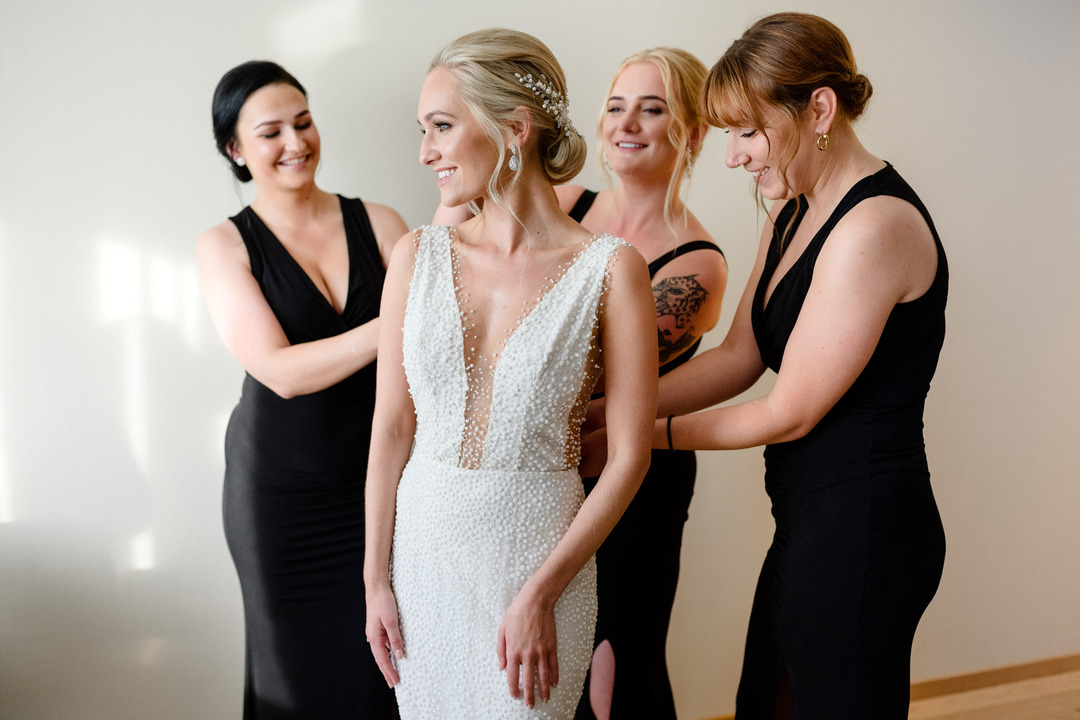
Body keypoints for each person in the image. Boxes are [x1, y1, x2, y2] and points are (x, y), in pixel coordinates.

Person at [602, 12, 947, 719]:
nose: (733, 157)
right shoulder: (790, 207)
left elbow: (786, 411)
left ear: (819, 108)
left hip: (867, 527)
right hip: (810, 521)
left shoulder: (875, 226)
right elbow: (740, 355)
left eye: (749, 131)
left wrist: (630, 436)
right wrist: (615, 408)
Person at [363, 29, 657, 720]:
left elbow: (629, 456)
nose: (425, 151)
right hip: (425, 560)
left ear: (514, 128)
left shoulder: (612, 270)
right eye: (423, 130)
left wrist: (542, 592)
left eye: (441, 126)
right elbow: (392, 425)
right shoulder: (417, 254)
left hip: (536, 559)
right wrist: (375, 577)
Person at [197, 60, 407, 719]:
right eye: (270, 132)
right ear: (235, 149)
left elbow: (435, 350)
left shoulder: (380, 222)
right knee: (297, 681)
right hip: (281, 498)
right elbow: (281, 373)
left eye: (305, 121)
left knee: (389, 672)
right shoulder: (223, 245)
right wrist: (398, 322)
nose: (296, 143)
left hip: (382, 482)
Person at [554, 48, 727, 720]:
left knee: (615, 657)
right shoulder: (567, 203)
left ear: (693, 132)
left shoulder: (698, 264)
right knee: (556, 654)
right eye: (617, 105)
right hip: (550, 462)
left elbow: (601, 378)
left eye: (652, 109)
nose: (628, 122)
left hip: (634, 472)